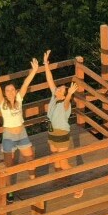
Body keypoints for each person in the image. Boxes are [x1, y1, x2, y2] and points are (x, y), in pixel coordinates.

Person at [41, 50, 83, 197]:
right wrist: (46, 64)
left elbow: (66, 101)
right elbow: (49, 80)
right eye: (59, 88)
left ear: (64, 94)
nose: (59, 88)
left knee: (63, 162)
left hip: (61, 133)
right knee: (56, 162)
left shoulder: (65, 104)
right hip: (52, 132)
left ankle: (78, 185)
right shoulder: (54, 96)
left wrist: (70, 93)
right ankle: (62, 184)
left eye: (62, 89)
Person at [0, 59, 41, 166]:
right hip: (8, 136)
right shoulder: (2, 103)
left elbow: (26, 84)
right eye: (7, 90)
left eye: (12, 90)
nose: (10, 92)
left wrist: (34, 70)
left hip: (22, 134)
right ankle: (8, 183)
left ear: (15, 91)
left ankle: (33, 180)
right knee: (8, 164)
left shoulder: (19, 99)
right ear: (5, 93)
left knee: (30, 160)